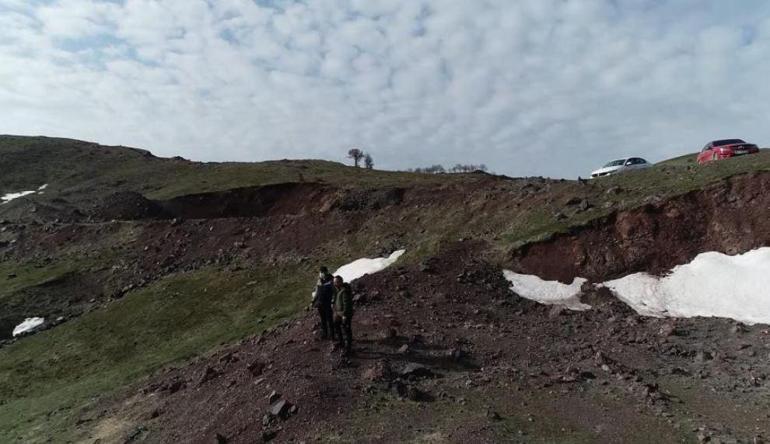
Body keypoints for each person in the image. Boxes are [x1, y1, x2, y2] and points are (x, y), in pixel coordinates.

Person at [332, 275, 354, 354]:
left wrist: (344, 315)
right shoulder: (338, 290)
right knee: (336, 325)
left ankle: (348, 347)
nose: (335, 284)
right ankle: (341, 342)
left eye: (337, 282)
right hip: (338, 313)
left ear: (341, 282)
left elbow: (346, 304)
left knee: (346, 329)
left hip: (345, 314)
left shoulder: (344, 291)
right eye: (334, 282)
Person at [312, 266, 335, 340]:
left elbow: (334, 291)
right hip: (320, 303)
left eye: (323, 272)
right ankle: (324, 334)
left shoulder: (331, 280)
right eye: (321, 272)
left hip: (328, 303)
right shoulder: (319, 280)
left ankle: (332, 335)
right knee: (323, 319)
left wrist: (333, 301)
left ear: (326, 272)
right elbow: (317, 291)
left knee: (329, 319)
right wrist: (313, 300)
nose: (322, 274)